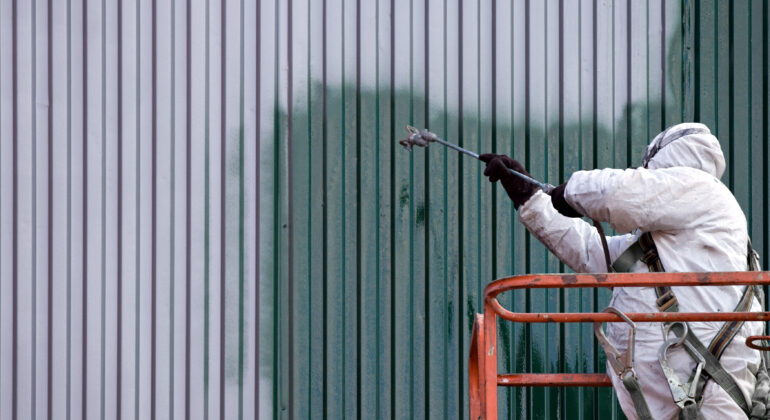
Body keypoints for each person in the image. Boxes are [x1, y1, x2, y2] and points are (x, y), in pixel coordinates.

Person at [481, 122, 763, 419]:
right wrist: (529, 197)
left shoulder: (704, 192)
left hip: (706, 383)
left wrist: (570, 193)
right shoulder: (668, 239)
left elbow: (622, 194)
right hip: (681, 389)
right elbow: (592, 253)